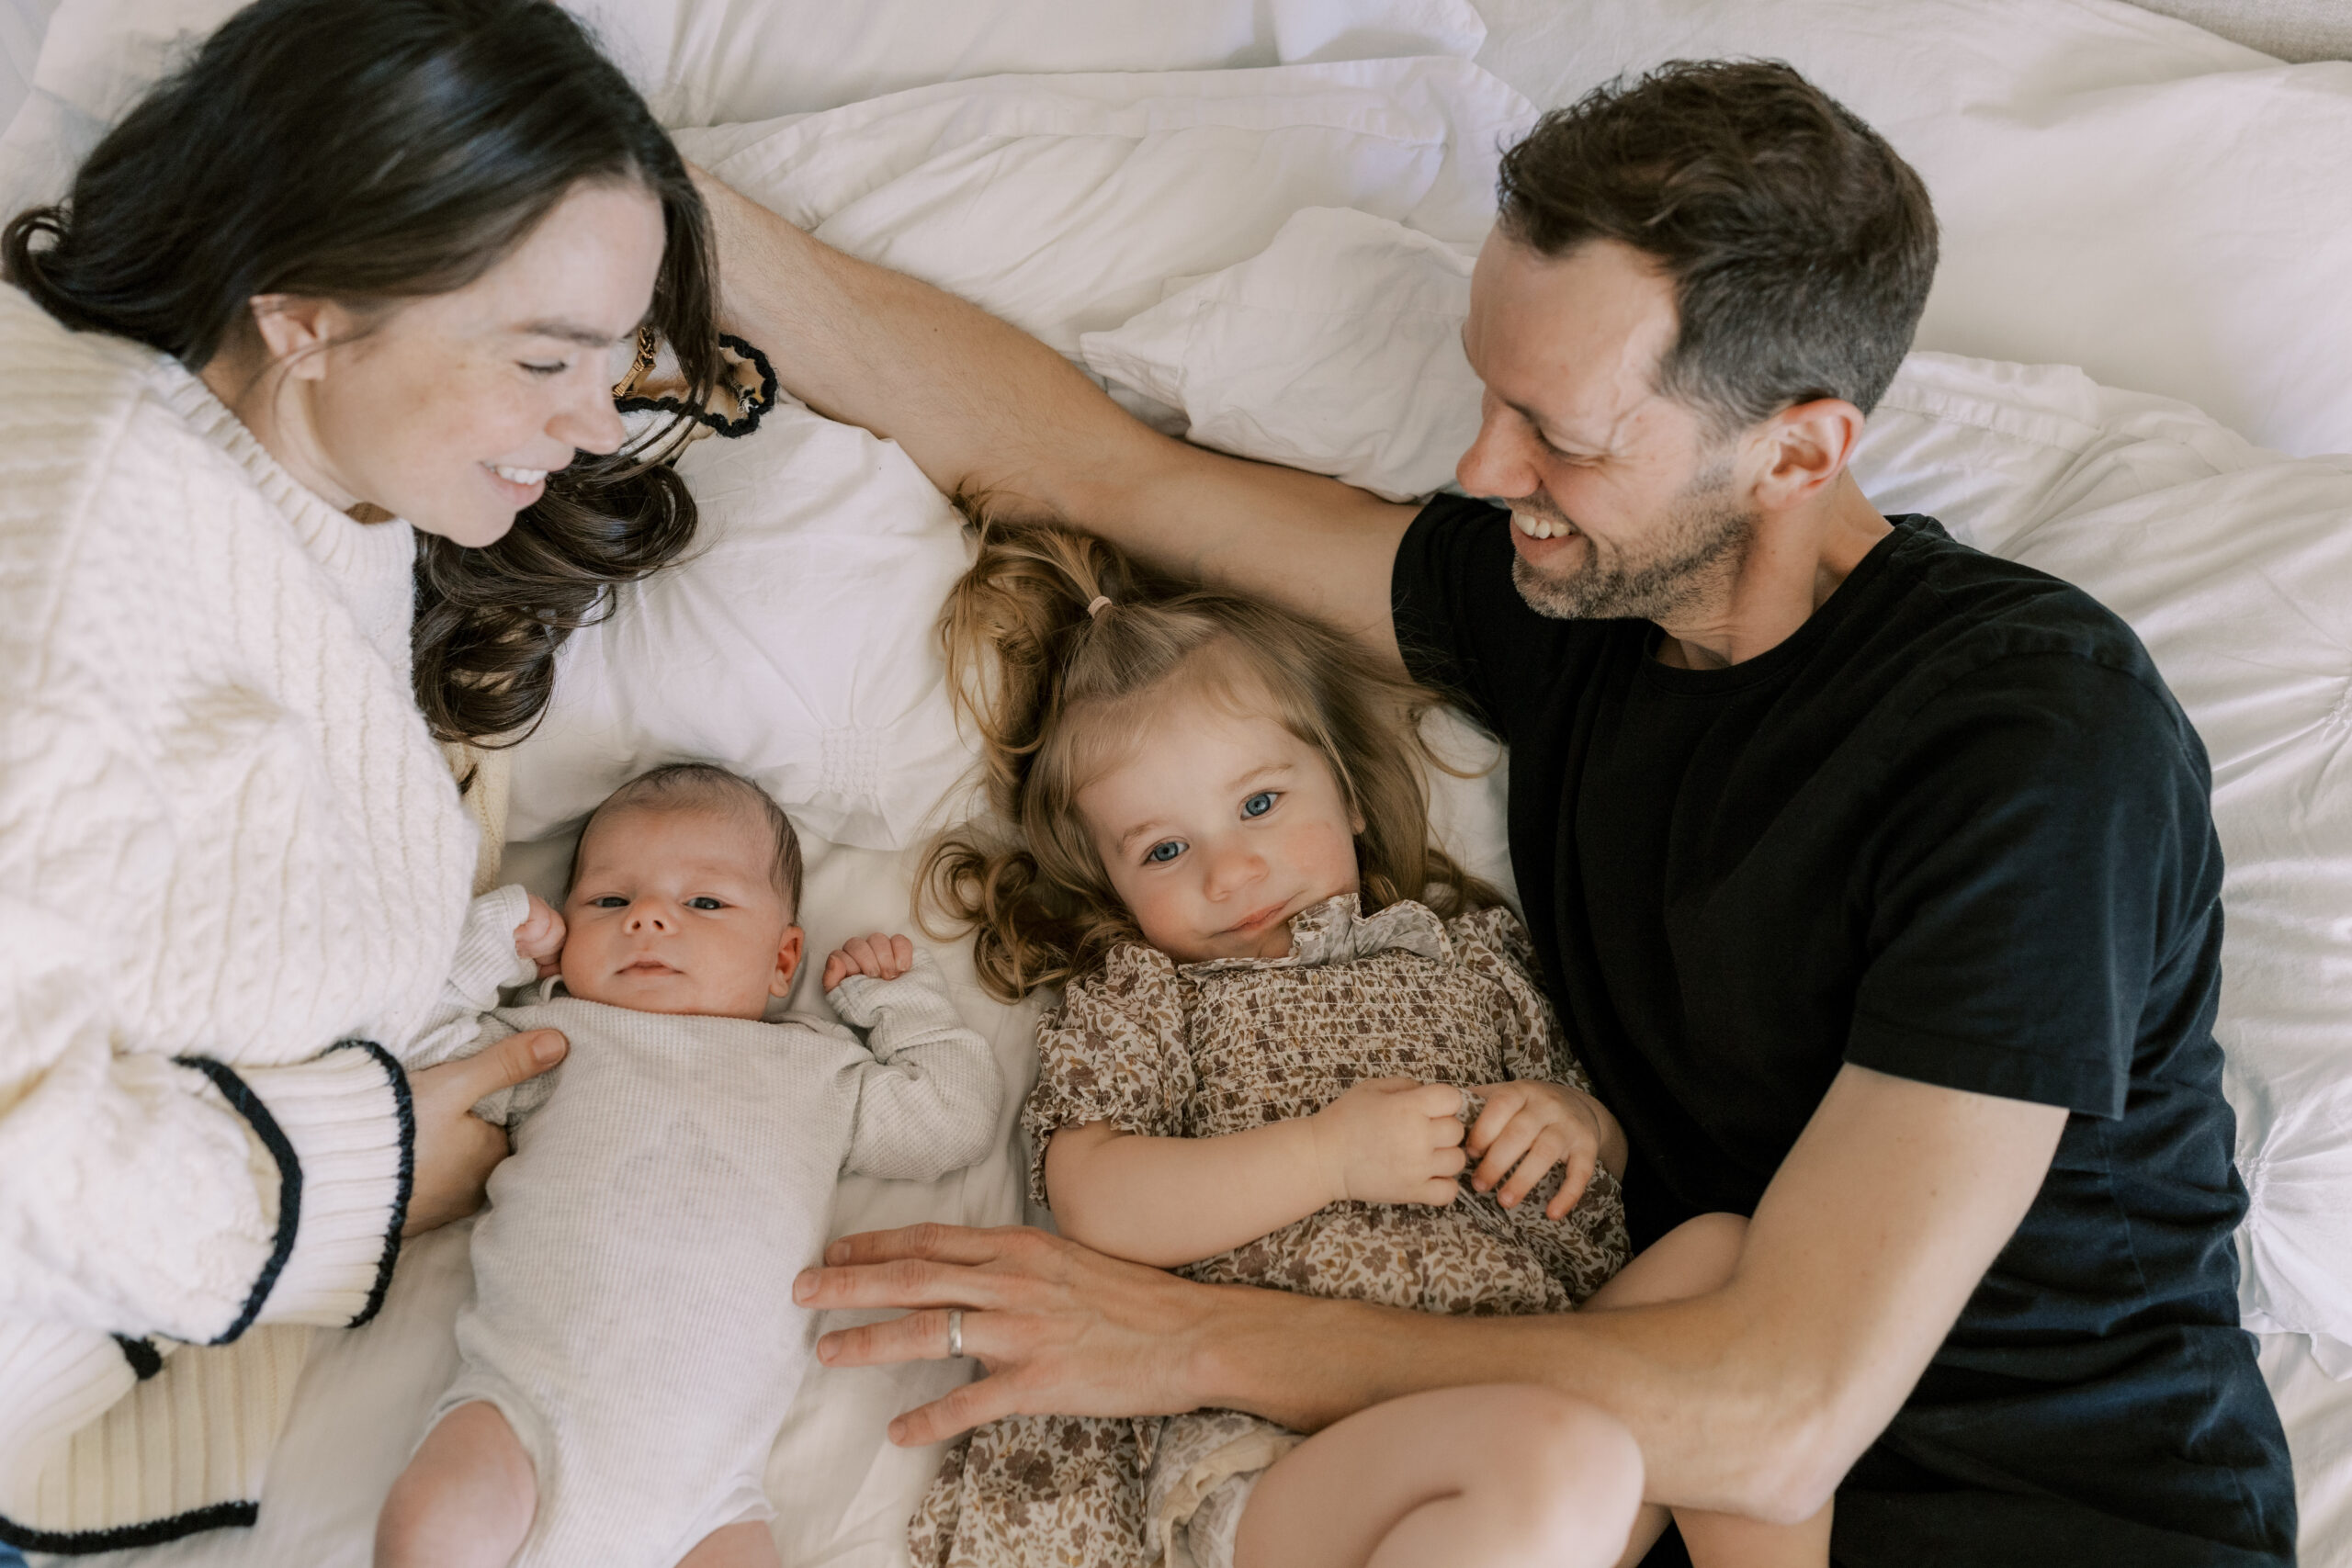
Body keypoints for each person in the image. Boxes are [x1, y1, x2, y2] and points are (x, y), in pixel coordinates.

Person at [699, 58, 2297, 1567]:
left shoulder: (2026, 737)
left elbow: (1778, 1411)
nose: (1479, 466)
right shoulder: (1574, 604)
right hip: (1613, 1481)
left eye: (1561, 435)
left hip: (2046, 1520)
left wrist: (1181, 1338)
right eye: (1488, 392)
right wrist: (662, 212)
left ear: (1796, 449)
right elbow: (1100, 475)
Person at [0, 0, 721, 1551]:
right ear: (305, 312)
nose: (596, 421)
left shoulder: (315, 474)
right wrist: (362, 1173)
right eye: (545, 357)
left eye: (618, 359)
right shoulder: (71, 568)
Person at [900, 522, 1827, 1568]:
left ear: (1342, 787)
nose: (1230, 872)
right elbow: (1098, 1200)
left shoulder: (1469, 958)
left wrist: (1573, 1124)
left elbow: (1597, 1166)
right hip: (1284, 1454)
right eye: (1163, 849)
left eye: (1259, 803)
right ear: (1109, 884)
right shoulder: (1150, 996)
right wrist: (1326, 1156)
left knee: (1729, 1266)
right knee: (1557, 1455)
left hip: (1522, 1371)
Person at [373, 763, 1003, 1568]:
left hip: (707, 1501)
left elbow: (950, 1120)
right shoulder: (555, 1037)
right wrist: (486, 944)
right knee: (438, 1526)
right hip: (523, 1412)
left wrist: (899, 1001)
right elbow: (420, 1068)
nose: (648, 918)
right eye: (610, 900)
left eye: (704, 902)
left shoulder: (815, 1071)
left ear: (783, 960)